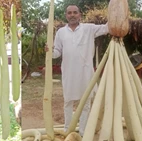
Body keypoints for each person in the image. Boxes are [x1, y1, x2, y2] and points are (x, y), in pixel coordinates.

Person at [46, 4, 109, 136]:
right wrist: (49, 51)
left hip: (85, 72)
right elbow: (57, 52)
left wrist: (116, 12)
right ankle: (67, 129)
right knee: (68, 101)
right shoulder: (61, 32)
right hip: (68, 72)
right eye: (70, 13)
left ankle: (82, 132)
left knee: (85, 102)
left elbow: (106, 28)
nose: (72, 15)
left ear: (80, 15)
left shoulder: (89, 29)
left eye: (75, 12)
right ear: (66, 15)